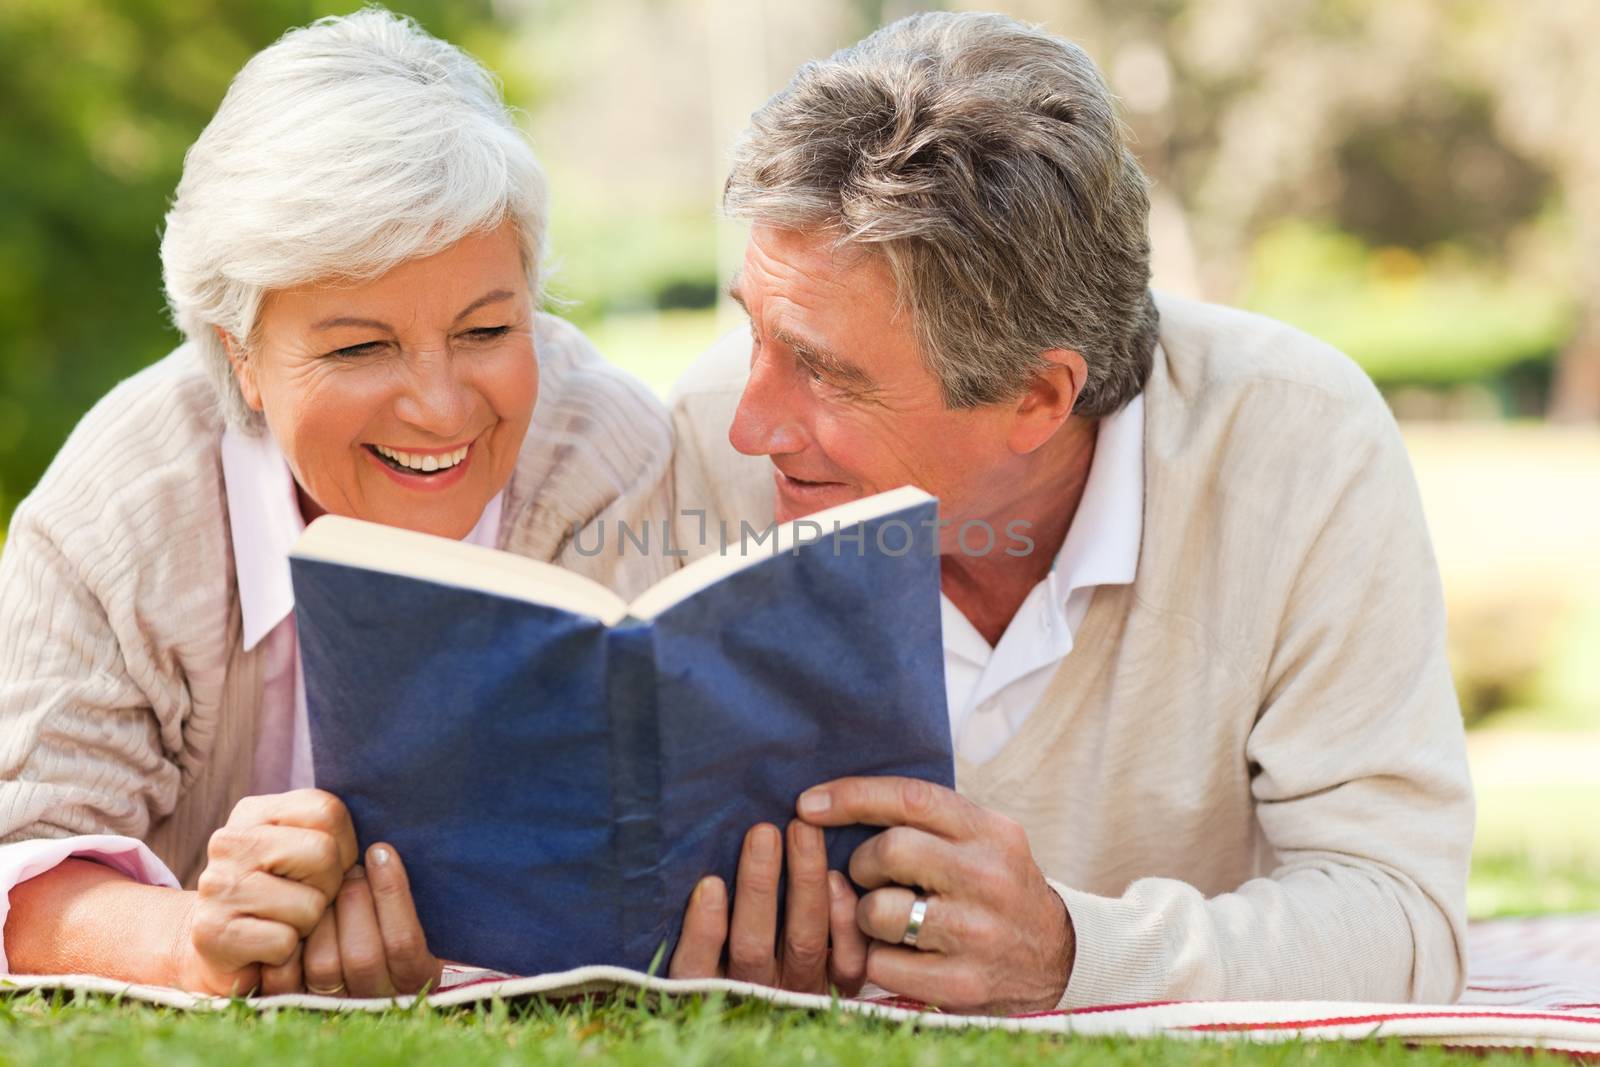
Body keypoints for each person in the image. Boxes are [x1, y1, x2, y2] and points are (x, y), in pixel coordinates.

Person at [665, 11, 1474, 1014]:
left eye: (825, 372)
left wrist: (1075, 953)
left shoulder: (1295, 443)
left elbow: (1400, 918)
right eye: (756, 329)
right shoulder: (706, 437)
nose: (751, 425)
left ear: (1038, 398)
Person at [0, 10, 672, 998]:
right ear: (242, 354)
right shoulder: (125, 504)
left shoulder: (601, 454)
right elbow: (24, 865)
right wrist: (195, 936)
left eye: (486, 328)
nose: (441, 405)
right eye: (359, 347)